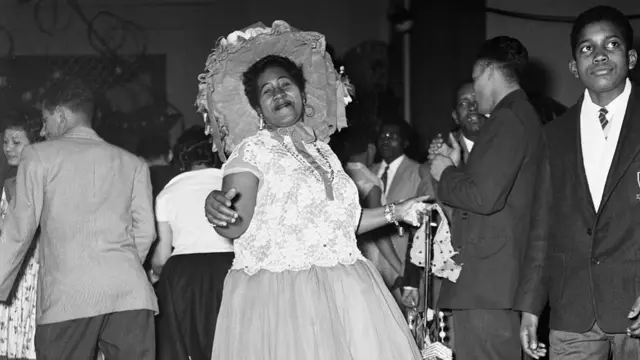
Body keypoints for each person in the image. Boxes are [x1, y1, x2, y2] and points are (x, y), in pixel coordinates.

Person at [198, 21, 427, 360]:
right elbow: (234, 223)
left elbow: (338, 224)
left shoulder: (324, 151)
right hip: (283, 296)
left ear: (302, 96)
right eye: (267, 91)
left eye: (285, 84)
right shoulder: (252, 151)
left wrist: (398, 210)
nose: (278, 93)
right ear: (259, 110)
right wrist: (215, 207)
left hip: (346, 288)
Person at [0, 78, 158, 359]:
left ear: (60, 115)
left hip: (68, 299)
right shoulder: (133, 163)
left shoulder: (37, 155)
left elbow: (18, 230)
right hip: (130, 295)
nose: (44, 129)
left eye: (45, 120)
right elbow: (145, 232)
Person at [516, 5, 640, 359]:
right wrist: (530, 306)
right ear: (574, 66)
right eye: (587, 48)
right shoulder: (553, 134)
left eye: (611, 44)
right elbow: (541, 226)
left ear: (631, 57)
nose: (599, 55)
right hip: (572, 310)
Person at [428, 36, 544, 360]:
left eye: (476, 80)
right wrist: (459, 167)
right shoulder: (522, 115)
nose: (476, 92)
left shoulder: (507, 118)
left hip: (487, 287)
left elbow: (484, 198)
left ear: (488, 73)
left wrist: (445, 172)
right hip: (491, 286)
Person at [150, 125, 233, 360]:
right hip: (228, 269)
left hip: (183, 276)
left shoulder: (167, 193)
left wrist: (153, 275)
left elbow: (162, 257)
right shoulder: (230, 184)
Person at [0, 109, 43, 360]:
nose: (8, 148)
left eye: (17, 142)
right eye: (5, 142)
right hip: (11, 273)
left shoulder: (43, 179)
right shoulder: (9, 183)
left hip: (35, 273)